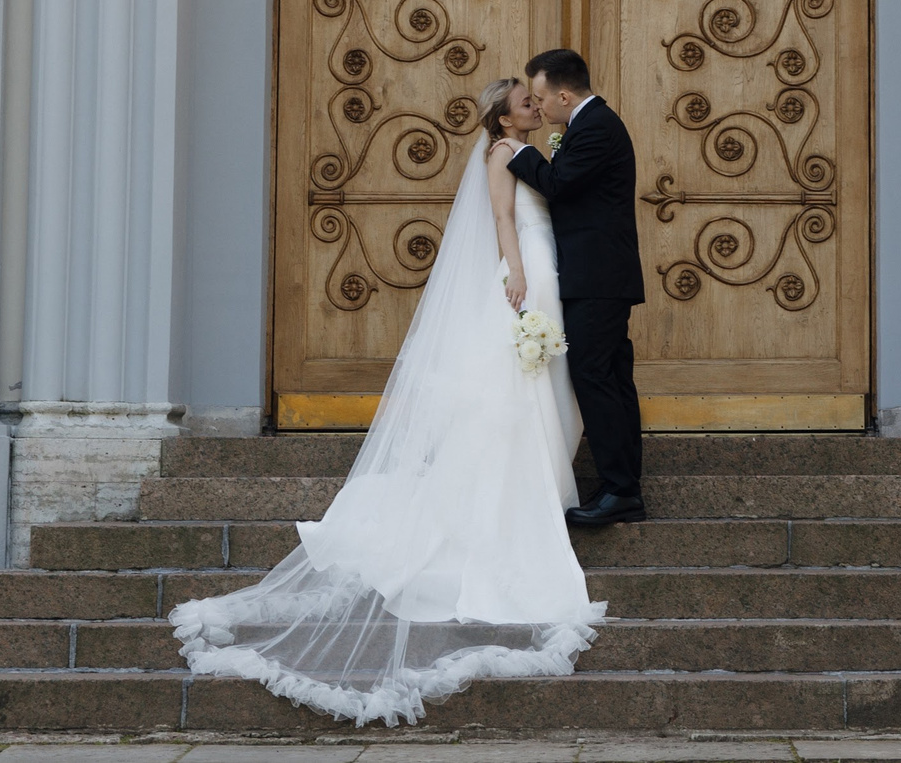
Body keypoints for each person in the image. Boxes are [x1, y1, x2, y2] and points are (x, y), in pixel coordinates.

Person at [169, 78, 599, 725]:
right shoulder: (502, 154)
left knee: (525, 397)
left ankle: (532, 481)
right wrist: (514, 273)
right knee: (506, 398)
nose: (535, 105)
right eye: (524, 101)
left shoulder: (530, 151)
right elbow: (504, 218)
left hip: (543, 275)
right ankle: (506, 497)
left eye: (537, 99)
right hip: (522, 279)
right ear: (503, 114)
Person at [494, 48, 645, 526]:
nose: (539, 108)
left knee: (598, 377)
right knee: (610, 377)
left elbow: (557, 185)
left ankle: (620, 491)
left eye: (540, 97)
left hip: (598, 278)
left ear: (562, 94)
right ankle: (622, 487)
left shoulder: (596, 126)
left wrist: (521, 152)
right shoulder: (586, 126)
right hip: (594, 276)